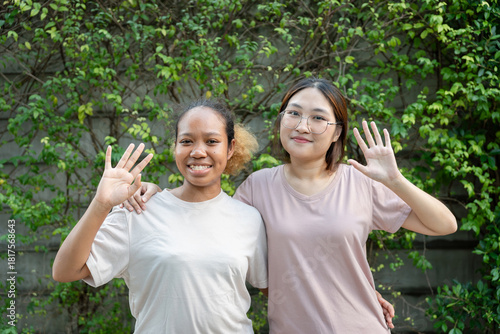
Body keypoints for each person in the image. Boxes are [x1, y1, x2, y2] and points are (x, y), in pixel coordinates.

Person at [123, 77, 458, 333]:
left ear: (337, 132)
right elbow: (206, 223)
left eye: (317, 118)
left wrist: (394, 181)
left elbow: (444, 225)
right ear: (281, 120)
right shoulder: (258, 187)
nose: (301, 125)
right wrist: (157, 193)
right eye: (293, 113)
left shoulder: (360, 183)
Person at [52, 99, 268, 333]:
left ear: (230, 148)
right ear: (175, 147)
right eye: (186, 141)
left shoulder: (249, 219)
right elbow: (65, 271)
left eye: (212, 141)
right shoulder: (139, 210)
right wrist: (101, 204)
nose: (197, 151)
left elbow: (273, 289)